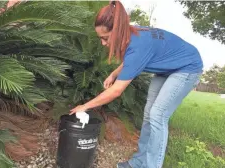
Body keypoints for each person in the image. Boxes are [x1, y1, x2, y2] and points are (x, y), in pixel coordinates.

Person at [69, 1, 203, 168]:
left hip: (187, 67)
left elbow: (116, 90)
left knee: (158, 115)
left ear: (117, 31)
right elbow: (132, 60)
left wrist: (85, 106)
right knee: (148, 114)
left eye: (105, 38)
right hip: (166, 69)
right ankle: (139, 162)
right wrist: (113, 74)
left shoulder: (138, 44)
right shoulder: (131, 34)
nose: (103, 43)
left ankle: (152, 165)